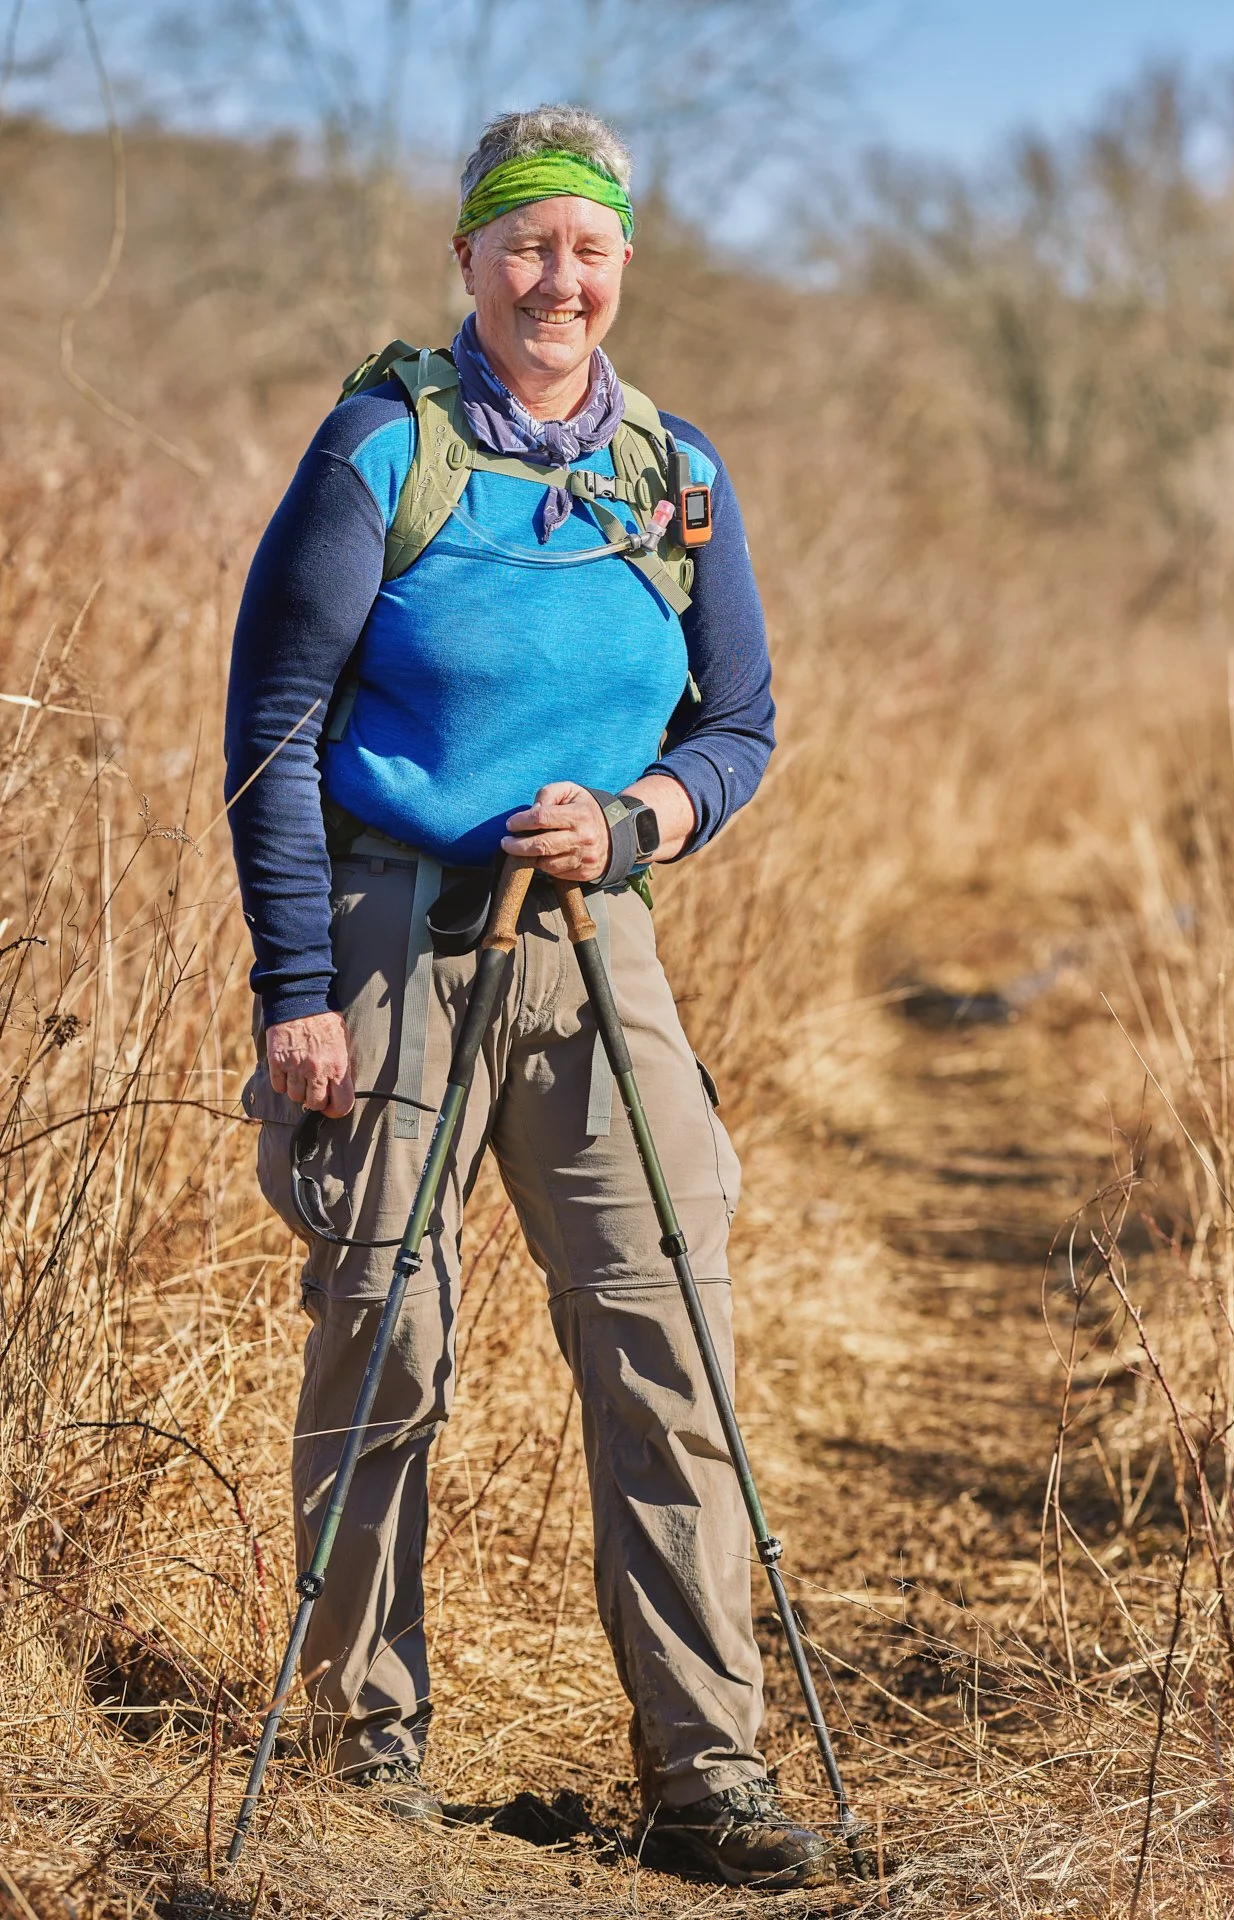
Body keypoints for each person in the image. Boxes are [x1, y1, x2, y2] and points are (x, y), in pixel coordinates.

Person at [224, 103, 830, 1889]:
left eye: (587, 247)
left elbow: (740, 727)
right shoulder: (378, 453)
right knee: (385, 1340)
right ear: (469, 261)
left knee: (671, 1348)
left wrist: (640, 816)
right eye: (524, 246)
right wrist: (299, 989)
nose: (557, 278)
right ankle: (362, 1748)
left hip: (594, 947)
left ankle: (707, 1775)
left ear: (622, 259)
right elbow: (270, 735)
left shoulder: (672, 472)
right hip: (395, 936)